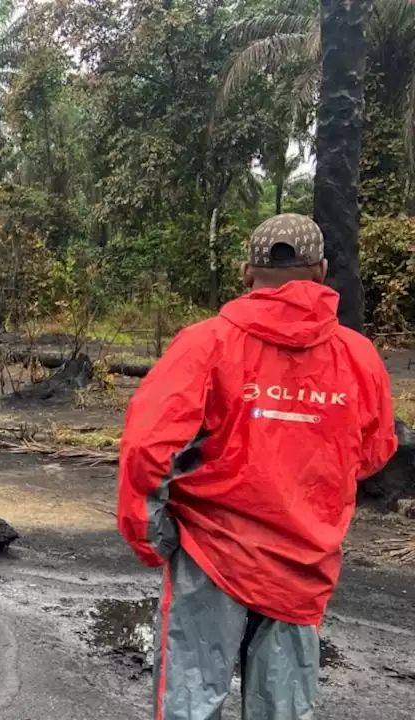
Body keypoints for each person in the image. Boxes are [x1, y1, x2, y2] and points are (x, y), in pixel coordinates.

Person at [117, 213, 397, 720]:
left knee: (190, 706)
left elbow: (147, 445)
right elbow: (375, 451)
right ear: (323, 271)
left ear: (247, 273)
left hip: (210, 554)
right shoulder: (359, 357)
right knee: (283, 712)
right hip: (303, 565)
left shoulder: (207, 343)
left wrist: (149, 533)